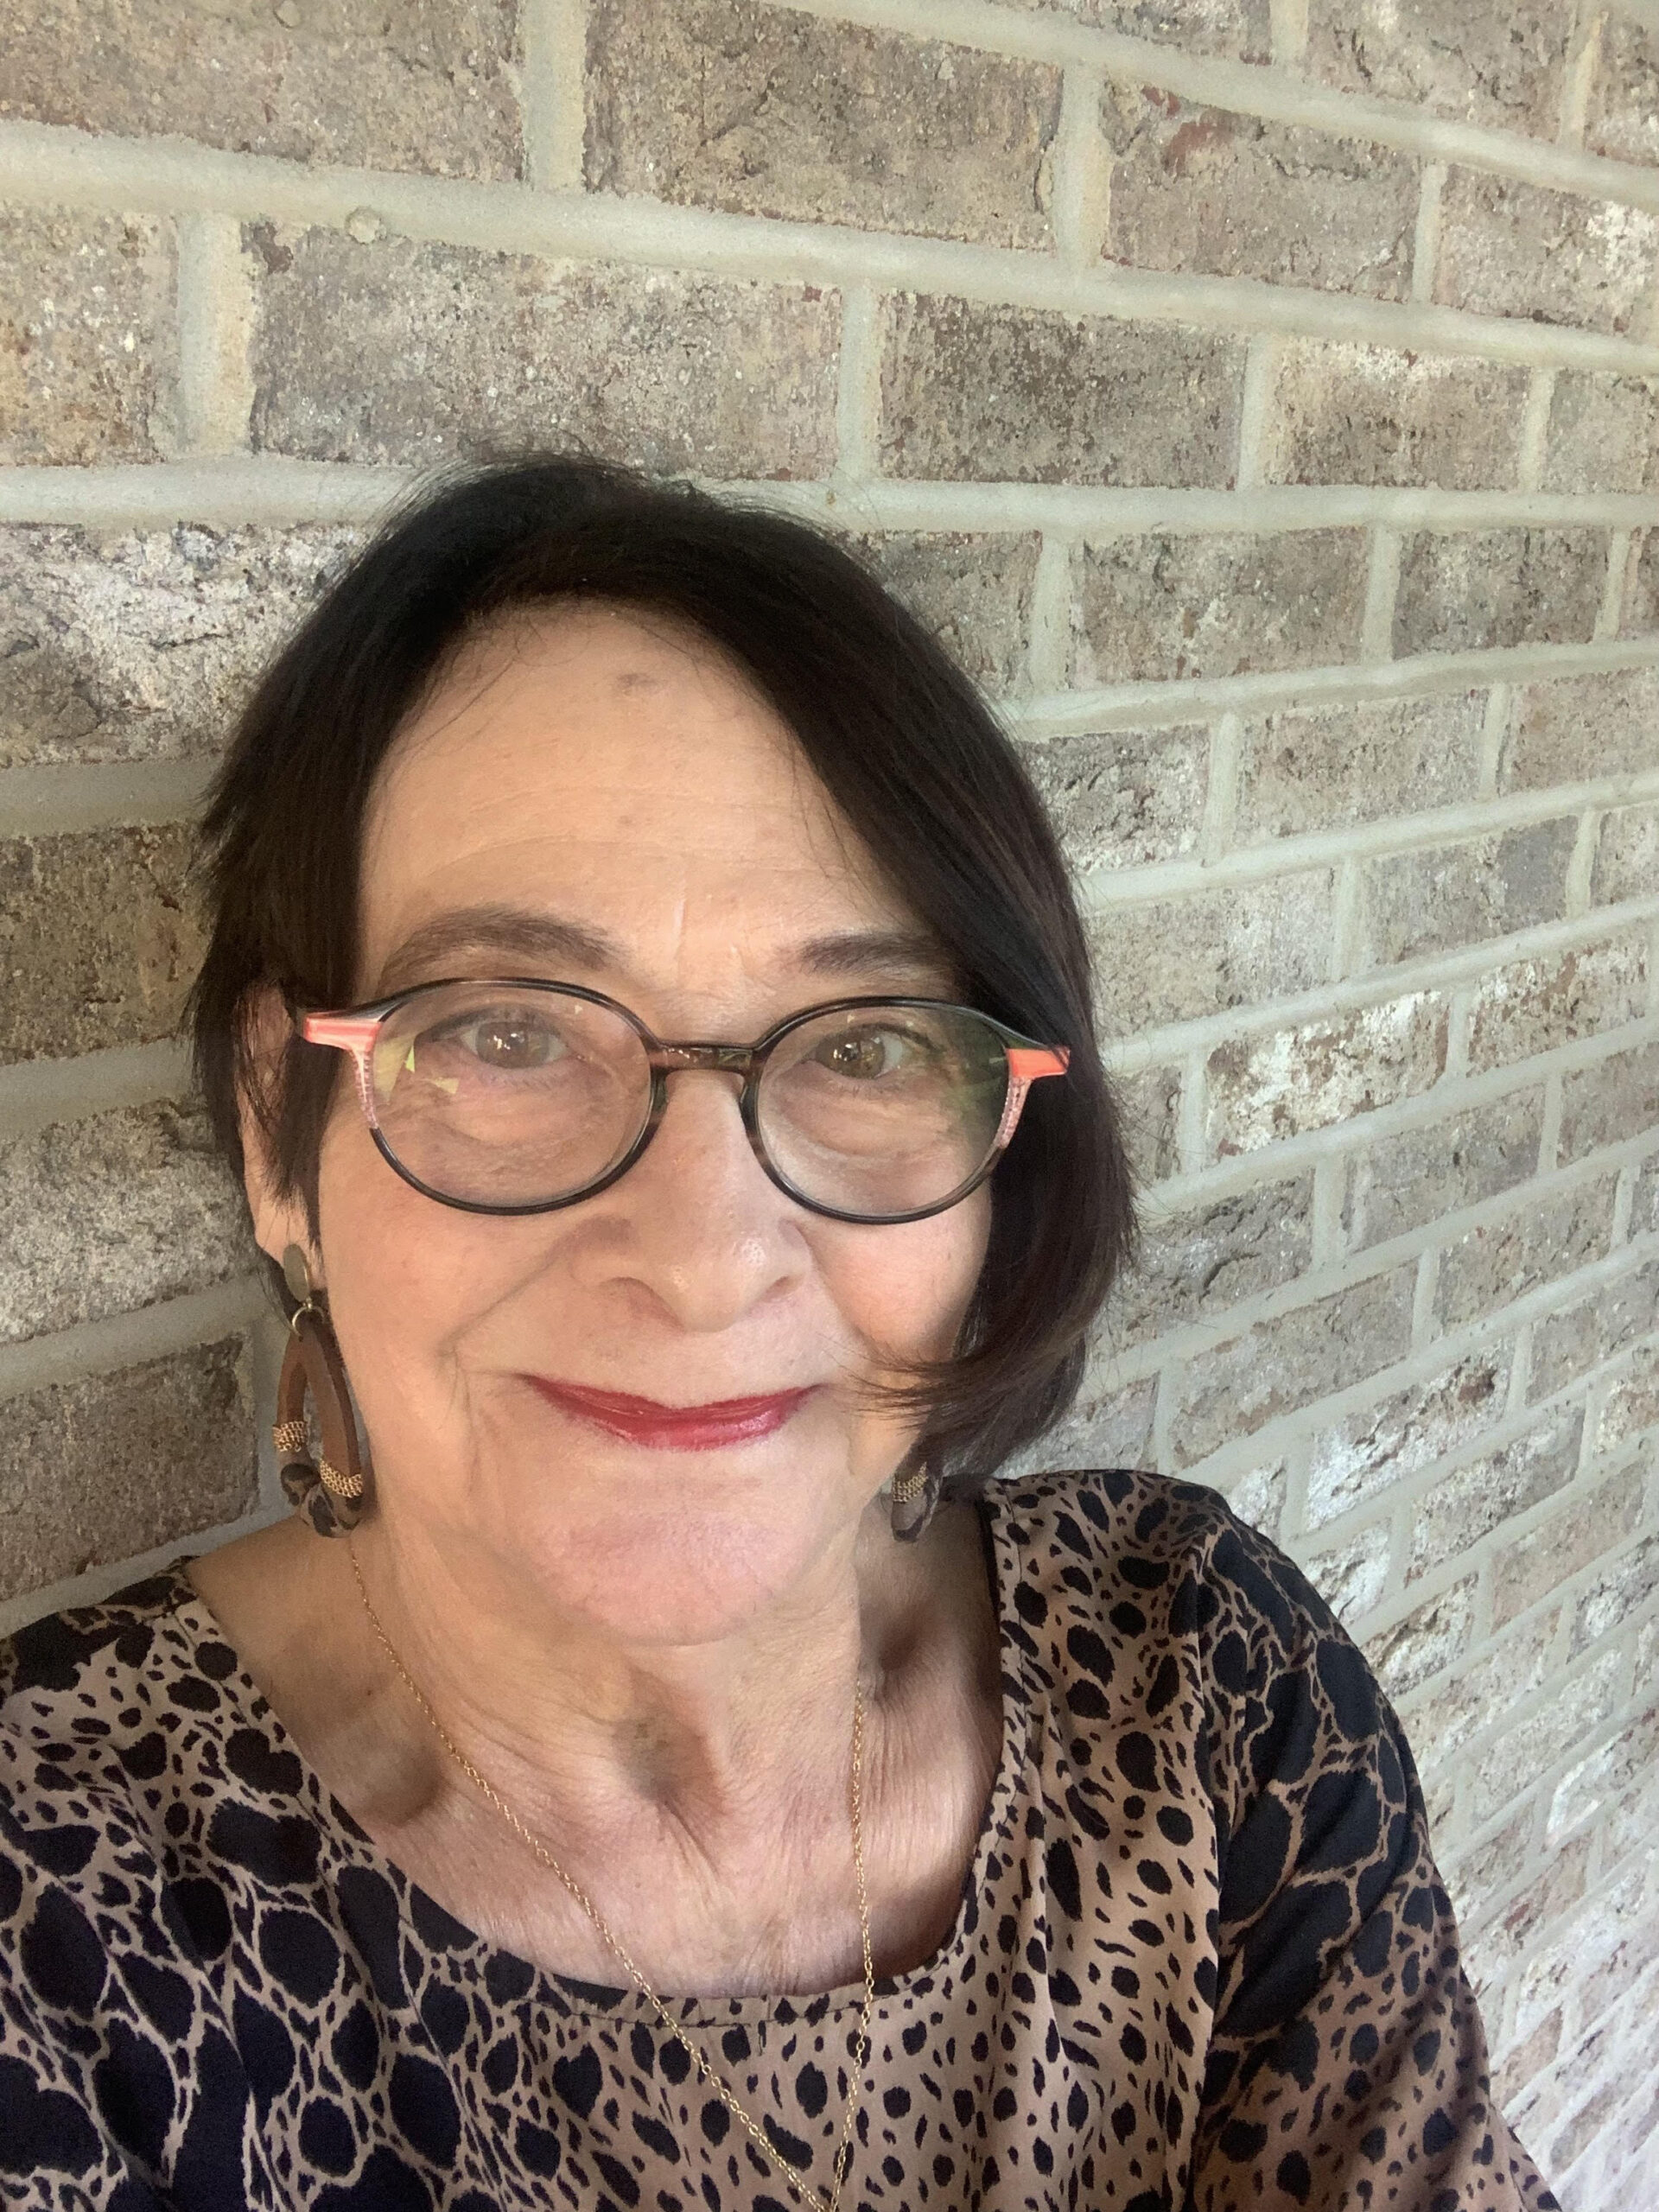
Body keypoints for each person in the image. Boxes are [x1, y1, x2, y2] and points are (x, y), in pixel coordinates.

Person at [0, 457, 1555, 2212]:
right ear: (285, 1127)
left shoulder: (1195, 1687)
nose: (705, 1253)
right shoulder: (55, 1915)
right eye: (508, 1030)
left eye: (870, 1045)